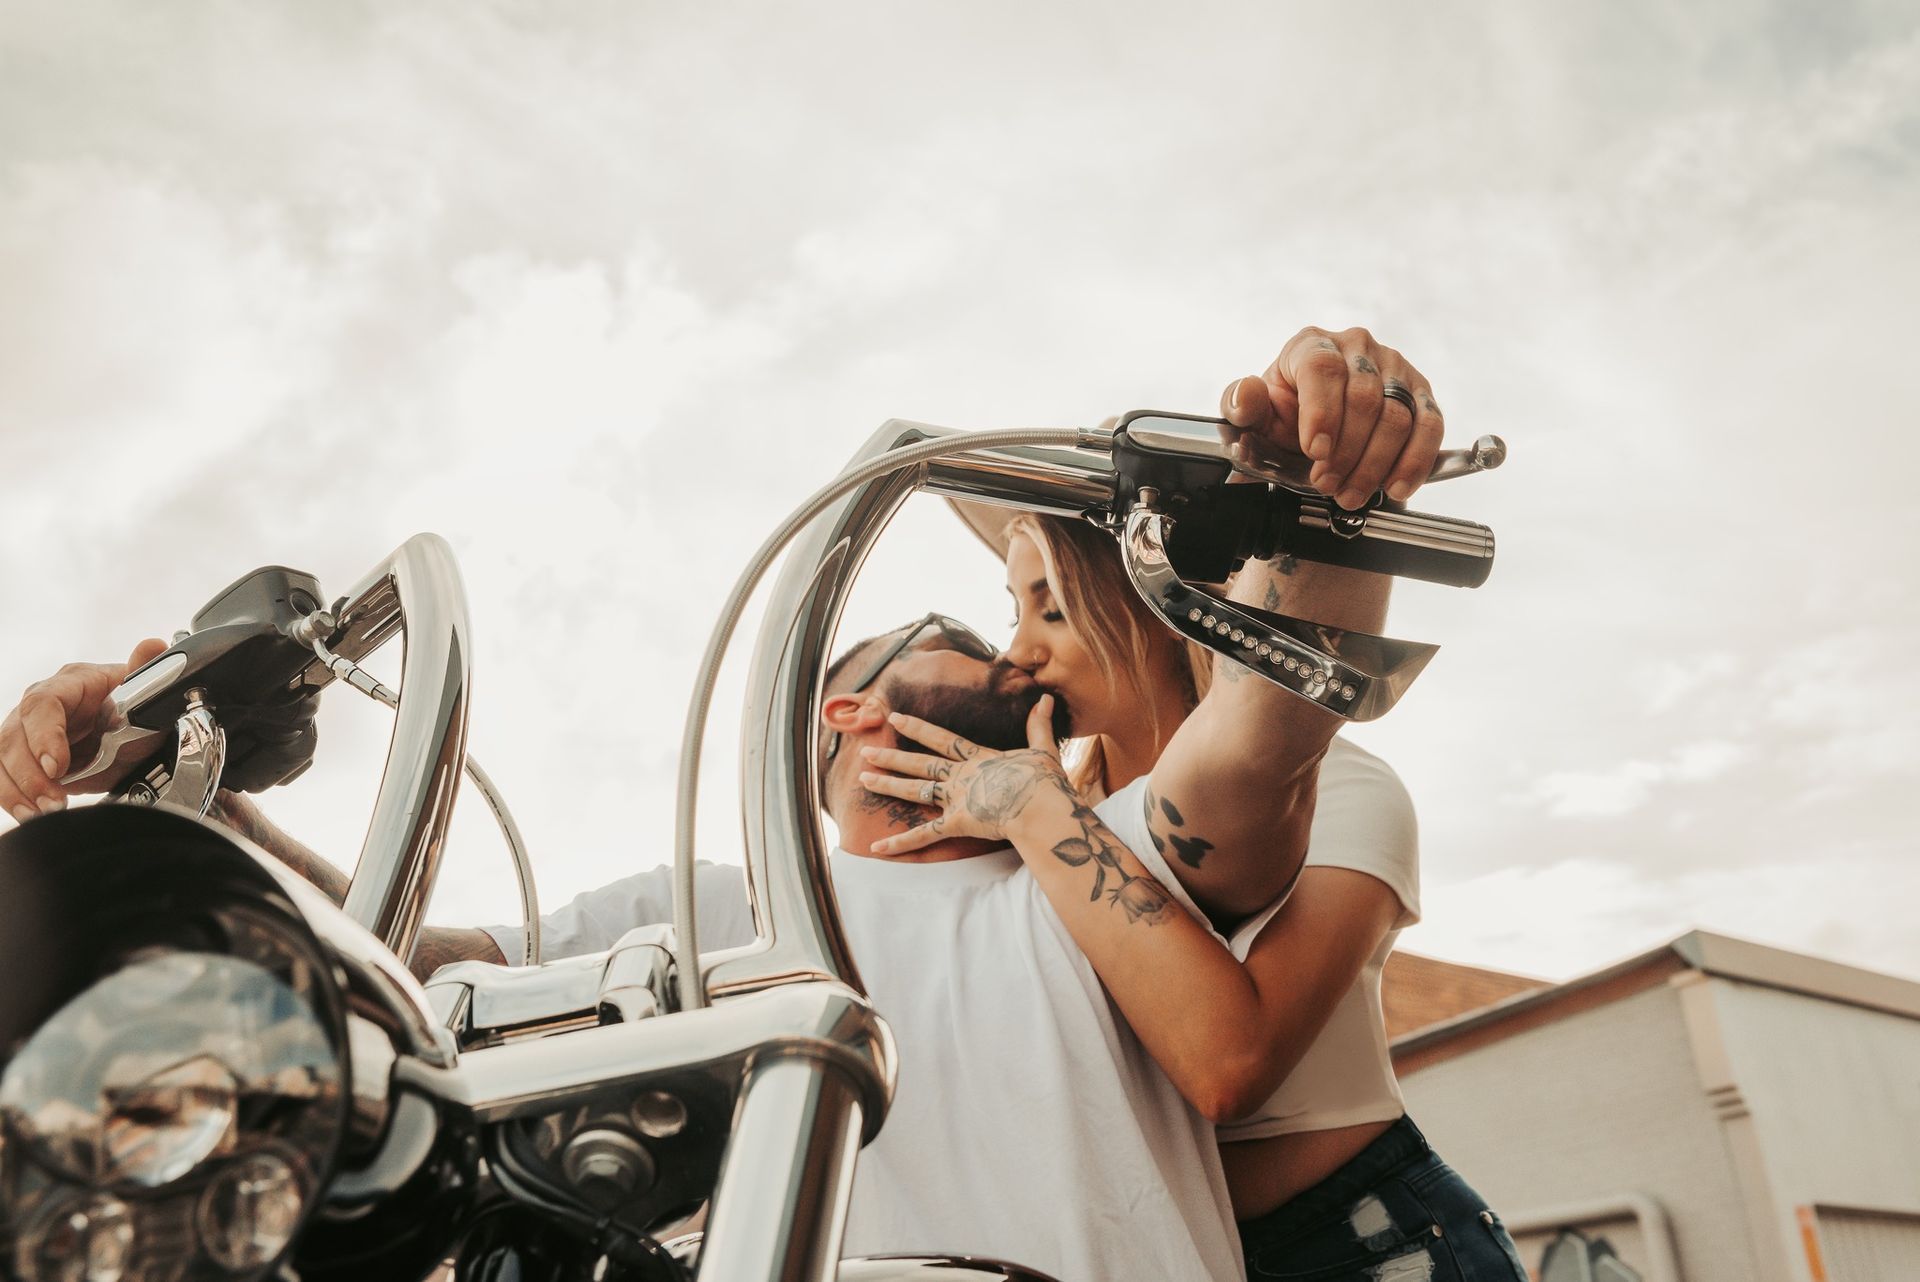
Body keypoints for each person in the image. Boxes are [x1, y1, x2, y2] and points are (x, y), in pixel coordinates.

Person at [868, 328, 1528, 1280]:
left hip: (1368, 1244)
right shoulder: (1042, 812)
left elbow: (1233, 1067)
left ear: (1147, 599)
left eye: (1050, 607)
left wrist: (1323, 450)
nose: (1016, 652)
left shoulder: (1341, 789)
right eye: (1012, 610)